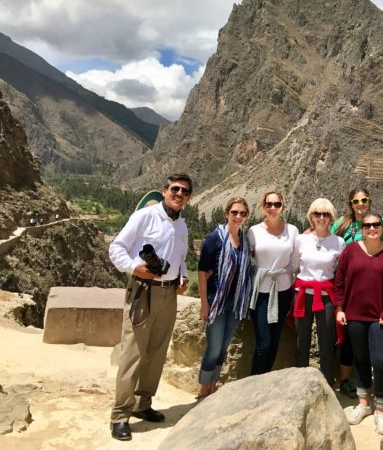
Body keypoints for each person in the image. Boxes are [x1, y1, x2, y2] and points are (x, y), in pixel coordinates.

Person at [107, 174, 192, 441]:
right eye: (174, 189)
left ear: (188, 198)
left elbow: (181, 257)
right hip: (143, 292)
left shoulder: (182, 225)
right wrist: (135, 268)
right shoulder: (146, 216)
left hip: (169, 295)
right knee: (133, 352)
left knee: (156, 351)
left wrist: (183, 275)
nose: (179, 193)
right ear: (164, 191)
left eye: (184, 191)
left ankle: (143, 405)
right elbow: (116, 248)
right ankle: (120, 415)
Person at [334, 212, 383, 435]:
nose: (372, 228)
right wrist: (339, 308)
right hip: (355, 315)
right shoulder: (351, 250)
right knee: (362, 360)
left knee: (382, 361)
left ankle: (381, 410)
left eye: (376, 225)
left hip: (381, 318)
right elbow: (340, 279)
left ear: (382, 227)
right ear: (361, 228)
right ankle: (364, 404)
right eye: (367, 226)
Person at [197, 197, 253, 400]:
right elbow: (202, 271)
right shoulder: (215, 238)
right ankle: (203, 390)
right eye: (234, 213)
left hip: (236, 303)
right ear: (226, 214)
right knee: (213, 348)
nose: (238, 217)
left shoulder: (245, 240)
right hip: (216, 302)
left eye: (243, 213)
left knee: (223, 348)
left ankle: (213, 385)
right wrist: (204, 304)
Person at [290, 198, 345, 385]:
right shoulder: (301, 239)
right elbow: (294, 266)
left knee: (326, 342)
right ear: (311, 216)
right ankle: (300, 383)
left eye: (326, 214)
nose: (321, 217)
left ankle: (327, 384)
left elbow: (341, 273)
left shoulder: (339, 242)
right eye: (317, 213)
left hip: (326, 295)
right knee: (301, 340)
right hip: (303, 293)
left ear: (331, 218)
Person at [247, 191, 299, 375]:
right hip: (260, 291)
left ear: (283, 206)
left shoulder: (292, 231)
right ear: (263, 206)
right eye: (269, 204)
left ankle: (266, 381)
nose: (273, 208)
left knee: (275, 340)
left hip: (283, 291)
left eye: (277, 204)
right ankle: (254, 384)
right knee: (264, 343)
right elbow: (246, 260)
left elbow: (294, 263)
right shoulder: (253, 231)